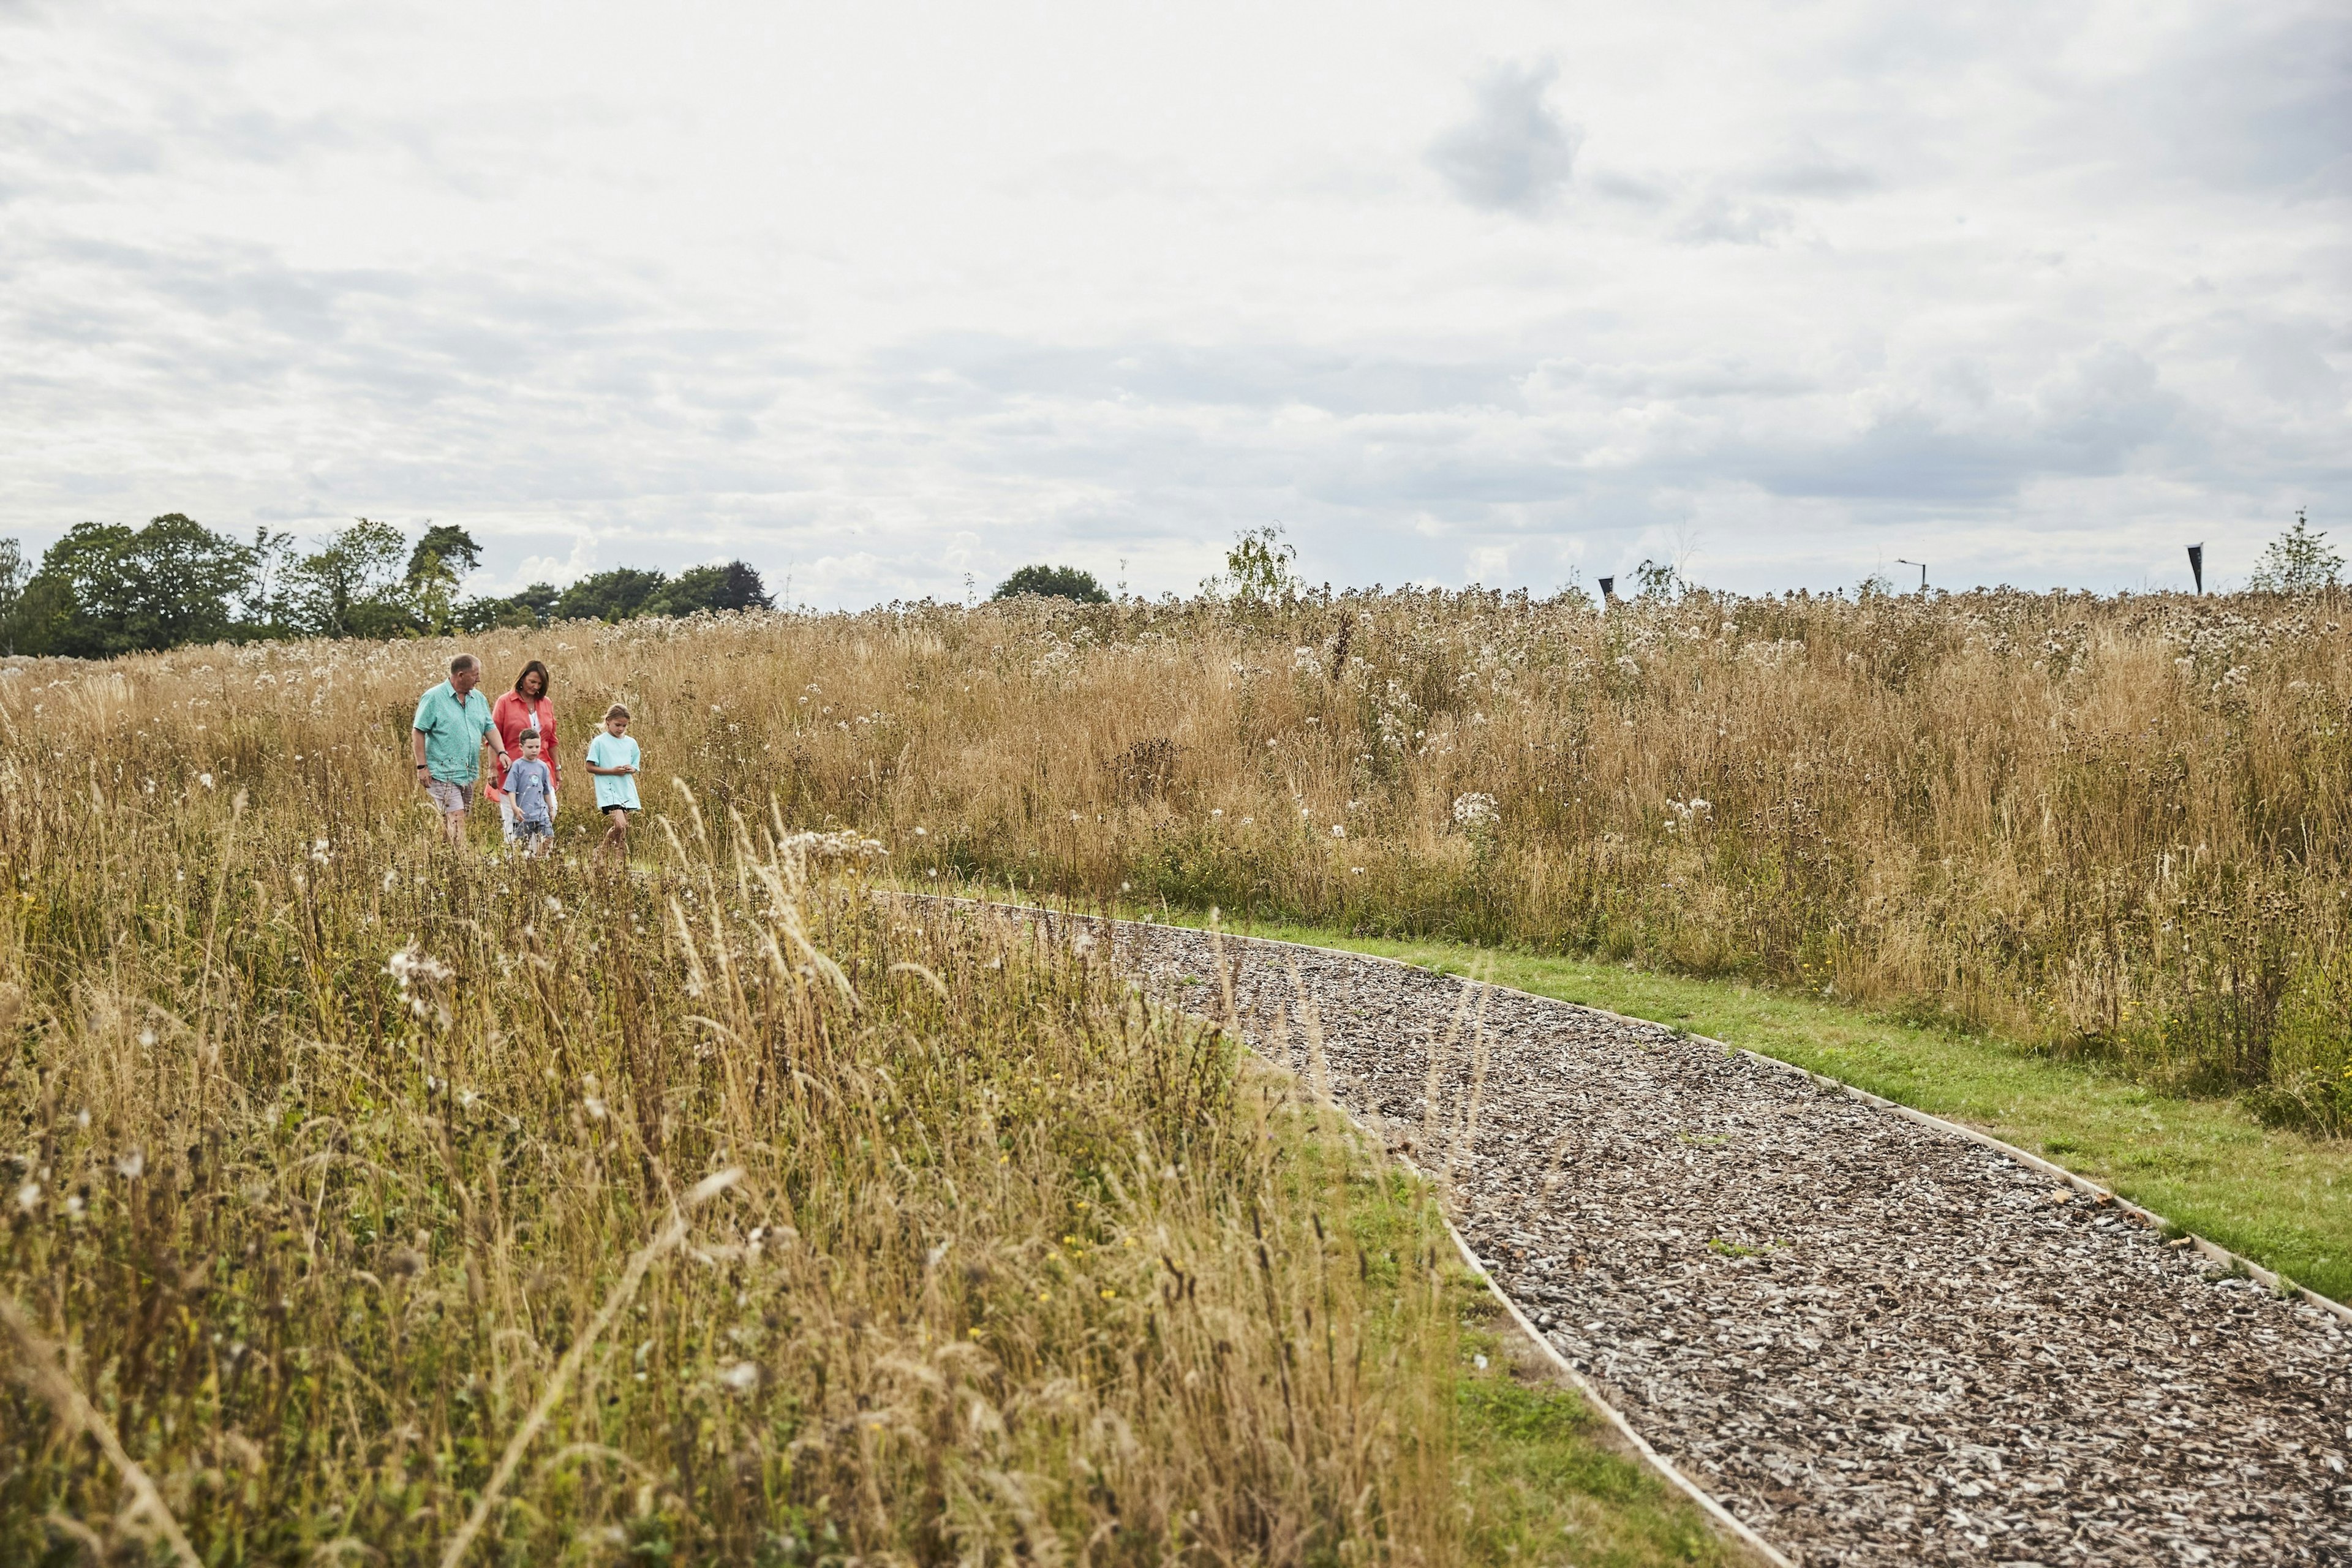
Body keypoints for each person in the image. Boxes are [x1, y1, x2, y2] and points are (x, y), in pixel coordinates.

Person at [411, 654, 509, 845]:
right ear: (461, 675)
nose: (479, 679)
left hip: (467, 772)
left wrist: (502, 752)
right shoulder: (434, 698)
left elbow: (490, 728)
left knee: (455, 817)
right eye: (475, 675)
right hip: (441, 772)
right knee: (457, 817)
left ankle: (444, 856)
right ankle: (462, 863)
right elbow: (418, 731)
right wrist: (422, 766)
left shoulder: (478, 699)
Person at [489, 660, 559, 844]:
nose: (536, 687)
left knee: (548, 813)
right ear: (522, 678)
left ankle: (540, 862)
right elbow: (492, 735)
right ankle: (516, 861)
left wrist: (557, 768)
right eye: (532, 682)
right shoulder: (505, 701)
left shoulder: (546, 703)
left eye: (540, 684)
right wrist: (492, 768)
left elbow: (552, 739)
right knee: (514, 819)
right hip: (512, 770)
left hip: (542, 768)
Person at [584, 703, 641, 858]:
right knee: (620, 824)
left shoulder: (631, 743)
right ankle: (602, 850)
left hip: (625, 789)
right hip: (608, 789)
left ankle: (617, 862)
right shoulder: (600, 742)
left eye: (624, 726)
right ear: (608, 721)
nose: (621, 729)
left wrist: (632, 769)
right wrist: (612, 771)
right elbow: (589, 767)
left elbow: (636, 764)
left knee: (622, 828)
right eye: (617, 725)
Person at [502, 731, 559, 858]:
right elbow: (511, 789)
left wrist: (551, 809)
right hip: (524, 815)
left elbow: (546, 791)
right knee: (523, 845)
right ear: (521, 747)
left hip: (541, 813)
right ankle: (527, 867)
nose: (534, 750)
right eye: (530, 747)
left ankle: (539, 858)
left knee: (549, 837)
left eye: (537, 747)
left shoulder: (543, 767)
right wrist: (514, 807)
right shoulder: (517, 766)